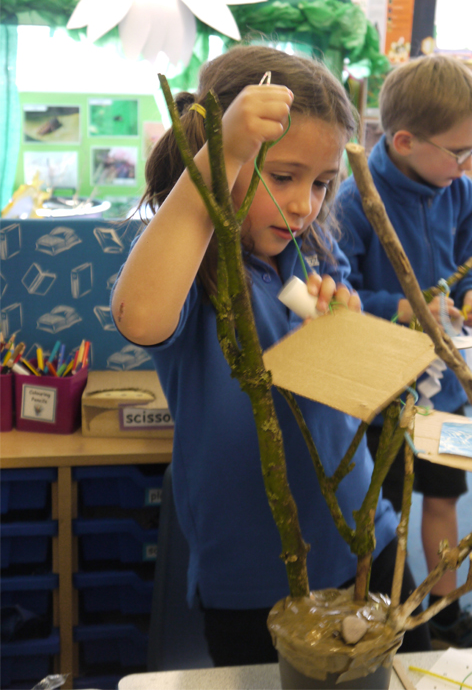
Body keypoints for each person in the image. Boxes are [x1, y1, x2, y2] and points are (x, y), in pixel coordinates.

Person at [111, 45, 430, 666]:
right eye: (282, 177)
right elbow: (139, 315)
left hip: (365, 535)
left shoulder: (297, 260)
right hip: (258, 579)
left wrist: (344, 330)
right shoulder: (199, 276)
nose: (305, 203)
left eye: (321, 183)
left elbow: (332, 392)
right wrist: (224, 156)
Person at [336, 55, 472, 649]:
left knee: (443, 497)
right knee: (384, 511)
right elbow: (338, 296)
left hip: (445, 382)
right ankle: (393, 617)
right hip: (380, 390)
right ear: (404, 139)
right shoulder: (351, 200)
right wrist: (403, 307)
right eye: (459, 152)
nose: (468, 165)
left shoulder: (461, 193)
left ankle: (444, 613)